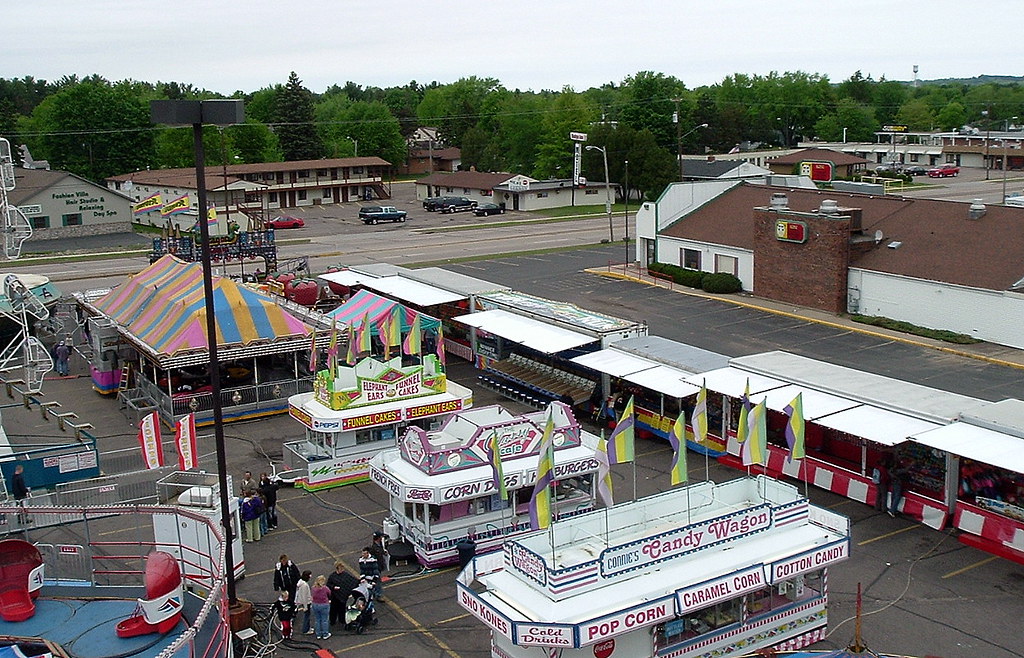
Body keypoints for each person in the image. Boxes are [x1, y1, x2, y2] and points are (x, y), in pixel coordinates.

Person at [327, 561, 358, 626]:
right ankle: (332, 620)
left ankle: (342, 620)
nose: (342, 570)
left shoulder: (345, 574)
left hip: (343, 596)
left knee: (342, 608)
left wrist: (360, 581)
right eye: (341, 568)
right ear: (337, 568)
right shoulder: (332, 576)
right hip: (335, 596)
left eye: (342, 568)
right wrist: (333, 587)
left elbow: (352, 581)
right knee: (333, 609)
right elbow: (328, 585)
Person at [310, 574, 331, 640]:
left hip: (315, 604)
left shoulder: (313, 588)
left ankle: (318, 634)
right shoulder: (325, 588)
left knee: (317, 620)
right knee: (324, 620)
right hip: (324, 605)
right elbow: (329, 593)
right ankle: (325, 634)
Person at [294, 570, 312, 635]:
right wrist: (305, 606)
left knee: (307, 616)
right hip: (306, 602)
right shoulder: (304, 585)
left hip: (302, 601)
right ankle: (305, 629)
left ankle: (308, 628)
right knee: (307, 616)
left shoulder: (300, 582)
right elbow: (304, 596)